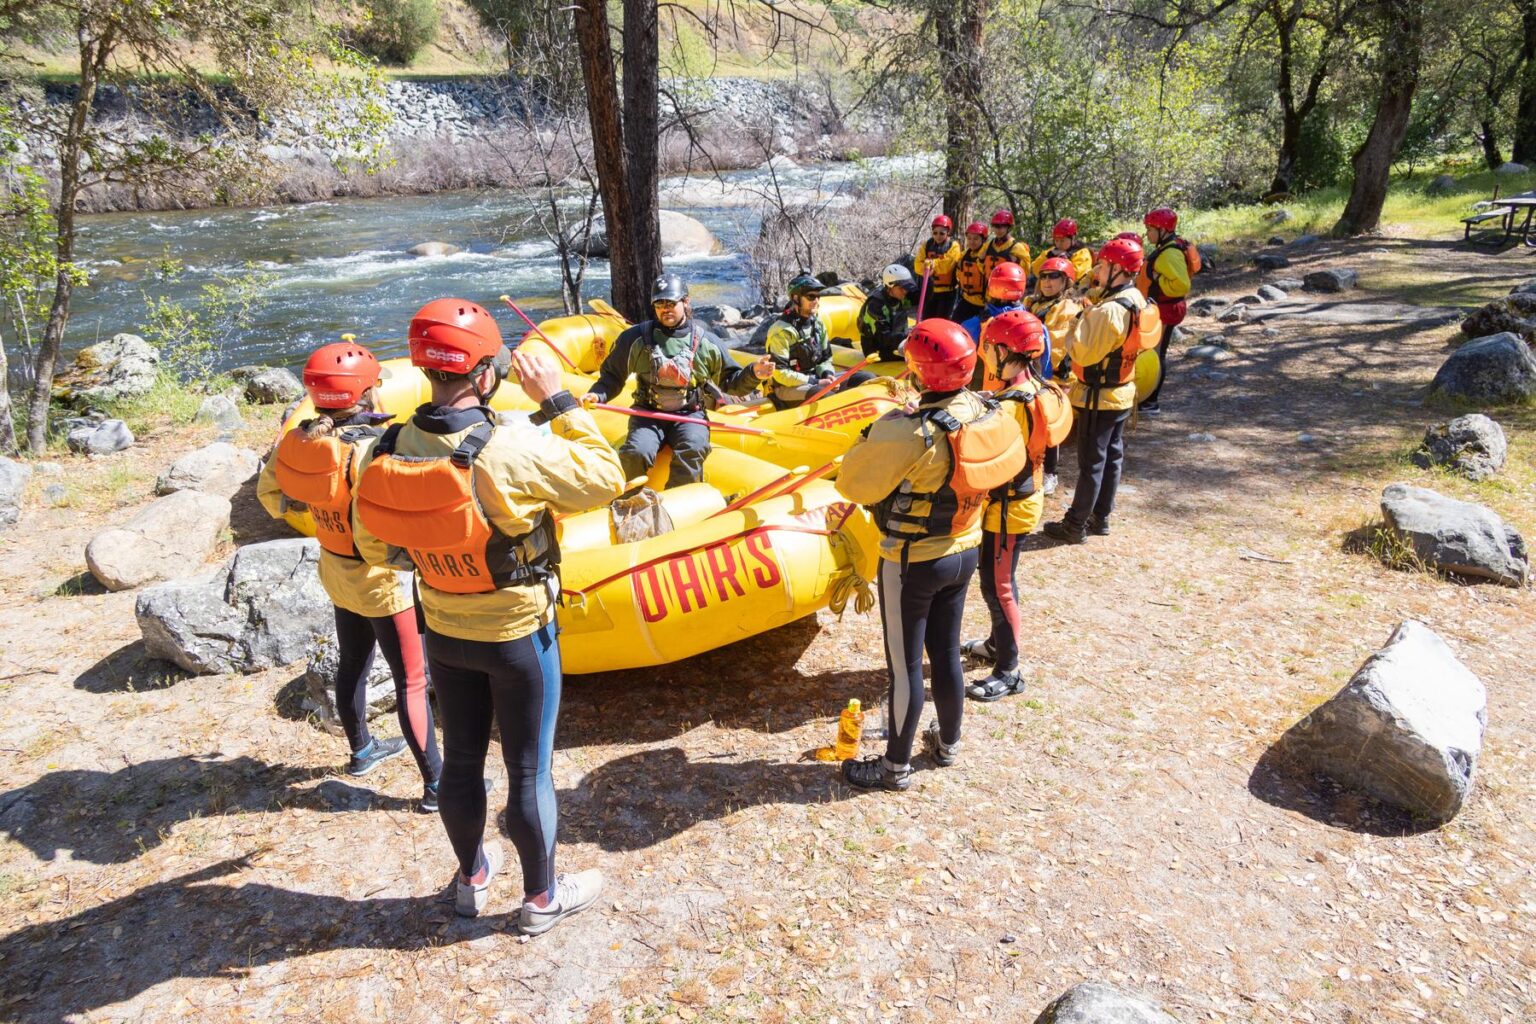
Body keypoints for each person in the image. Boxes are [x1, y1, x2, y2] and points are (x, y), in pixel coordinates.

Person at [352, 298, 627, 932]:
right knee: (528, 767)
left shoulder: (387, 445)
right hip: (517, 635)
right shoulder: (512, 445)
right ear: (483, 377)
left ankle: (472, 877)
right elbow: (605, 477)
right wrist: (560, 402)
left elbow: (375, 550)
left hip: (443, 632)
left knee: (465, 759)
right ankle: (540, 901)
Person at [833, 320, 1026, 791]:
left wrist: (871, 435)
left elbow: (851, 483)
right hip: (964, 550)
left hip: (911, 561)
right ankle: (948, 744)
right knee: (945, 654)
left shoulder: (906, 432)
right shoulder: (989, 410)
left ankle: (894, 767)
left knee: (905, 667)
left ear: (919, 373)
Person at [257, 341, 443, 808]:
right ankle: (438, 785)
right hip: (382, 584)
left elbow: (271, 496)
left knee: (352, 663)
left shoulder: (301, 440)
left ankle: (362, 748)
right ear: (365, 394)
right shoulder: (369, 448)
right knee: (413, 683)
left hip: (336, 570)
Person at [963, 310, 1070, 701]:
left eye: (990, 348)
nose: (985, 354)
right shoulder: (1037, 389)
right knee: (996, 582)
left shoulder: (1009, 408)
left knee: (999, 586)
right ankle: (996, 643)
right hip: (1026, 498)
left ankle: (1009, 671)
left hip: (1008, 509)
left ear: (1007, 352)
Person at [582, 272, 772, 489]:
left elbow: (731, 383)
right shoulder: (634, 339)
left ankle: (677, 503)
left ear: (686, 301)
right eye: (660, 303)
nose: (665, 309)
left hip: (690, 415)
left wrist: (754, 373)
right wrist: (597, 394)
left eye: (671, 302)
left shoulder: (707, 343)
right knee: (636, 452)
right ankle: (627, 502)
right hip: (648, 414)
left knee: (693, 448)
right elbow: (612, 376)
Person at [1044, 238, 1154, 544]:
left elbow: (1082, 353)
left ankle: (1075, 524)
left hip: (1100, 397)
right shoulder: (1135, 297)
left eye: (1104, 265)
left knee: (1091, 462)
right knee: (1111, 456)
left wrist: (1079, 320)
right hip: (1121, 393)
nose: (1098, 270)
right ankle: (1100, 516)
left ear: (1119, 269)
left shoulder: (1109, 311)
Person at [765, 274, 875, 408]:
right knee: (824, 394)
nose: (816, 300)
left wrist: (827, 374)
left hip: (815, 379)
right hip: (787, 387)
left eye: (818, 296)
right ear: (795, 298)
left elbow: (825, 359)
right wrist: (815, 381)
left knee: (866, 378)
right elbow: (780, 374)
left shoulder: (818, 324)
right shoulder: (781, 331)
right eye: (811, 297)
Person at [1025, 256, 1084, 495]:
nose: (1047, 281)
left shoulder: (1068, 308)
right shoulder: (1032, 302)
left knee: (1050, 426)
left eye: (1054, 277)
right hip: (1029, 370)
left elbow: (1056, 346)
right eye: (1044, 276)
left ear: (1066, 281)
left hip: (1054, 375)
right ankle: (1029, 466)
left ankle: (1050, 473)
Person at [1136, 206, 1198, 413]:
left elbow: (1181, 285)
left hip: (1164, 310)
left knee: (1156, 355)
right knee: (1155, 354)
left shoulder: (1169, 253)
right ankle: (1148, 399)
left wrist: (1157, 279)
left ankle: (1151, 401)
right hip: (1162, 308)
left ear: (1162, 229)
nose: (1147, 233)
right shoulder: (1169, 247)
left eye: (1150, 229)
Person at [961, 263, 1051, 392]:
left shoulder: (974, 325)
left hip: (985, 402)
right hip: (1025, 398)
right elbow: (1045, 369)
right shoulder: (1038, 327)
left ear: (991, 287)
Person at [857, 264, 917, 362]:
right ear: (890, 285)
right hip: (875, 350)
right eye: (901, 288)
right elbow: (883, 338)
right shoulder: (875, 305)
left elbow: (922, 296)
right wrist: (908, 337)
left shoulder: (899, 297)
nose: (905, 291)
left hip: (895, 343)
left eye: (906, 287)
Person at [911, 214, 962, 317]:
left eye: (942, 233)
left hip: (947, 292)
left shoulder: (954, 246)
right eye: (935, 233)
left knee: (942, 320)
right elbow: (917, 266)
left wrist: (932, 265)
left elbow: (948, 265)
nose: (938, 236)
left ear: (948, 232)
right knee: (927, 319)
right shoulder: (927, 245)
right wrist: (925, 267)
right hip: (929, 290)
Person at [1030, 218, 1094, 284]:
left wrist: (1063, 258)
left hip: (1075, 289)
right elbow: (1035, 269)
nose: (1059, 244)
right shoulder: (1051, 251)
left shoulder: (1082, 252)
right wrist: (1048, 257)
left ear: (1073, 238)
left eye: (1062, 240)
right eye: (1056, 240)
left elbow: (1075, 275)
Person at [952, 221, 989, 324]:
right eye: (969, 238)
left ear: (983, 239)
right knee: (955, 324)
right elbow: (959, 273)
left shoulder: (987, 256)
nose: (972, 242)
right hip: (966, 299)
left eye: (976, 239)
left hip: (982, 304)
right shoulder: (964, 255)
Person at [982, 209, 1031, 283]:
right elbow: (982, 269)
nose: (998, 230)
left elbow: (1026, 271)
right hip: (990, 291)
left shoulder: (1017, 247)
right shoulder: (988, 245)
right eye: (996, 226)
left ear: (1008, 227)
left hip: (1008, 290)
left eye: (1002, 226)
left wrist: (1017, 262)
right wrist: (981, 260)